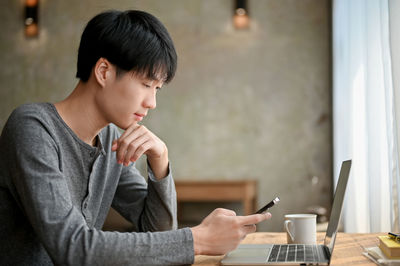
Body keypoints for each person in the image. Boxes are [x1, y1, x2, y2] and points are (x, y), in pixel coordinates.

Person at [0, 10, 271, 265]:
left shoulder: (109, 139)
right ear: (104, 71)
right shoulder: (33, 128)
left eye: (157, 89)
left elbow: (157, 229)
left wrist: (160, 160)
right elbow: (72, 248)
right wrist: (197, 239)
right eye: (145, 84)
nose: (152, 102)